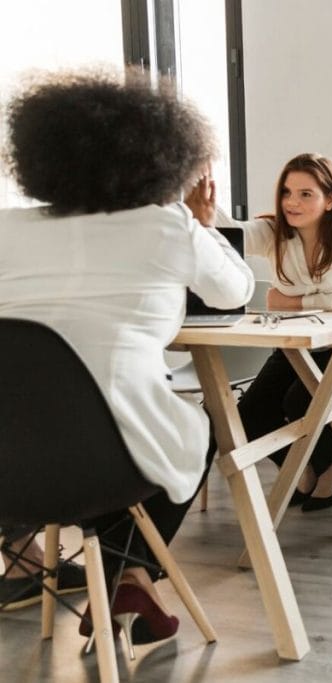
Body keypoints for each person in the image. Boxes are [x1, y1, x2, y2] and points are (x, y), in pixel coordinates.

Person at [0, 69, 253, 645]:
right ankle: (129, 574)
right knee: (192, 428)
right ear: (161, 160)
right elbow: (234, 291)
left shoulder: (6, 231)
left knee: (119, 423)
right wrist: (201, 223)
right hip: (107, 460)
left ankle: (126, 578)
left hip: (9, 464)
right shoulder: (165, 226)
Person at [213, 153, 332, 511]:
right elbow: (228, 236)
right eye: (287, 192)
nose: (292, 202)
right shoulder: (275, 232)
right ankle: (305, 464)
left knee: (299, 400)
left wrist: (292, 301)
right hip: (298, 347)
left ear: (330, 198)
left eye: (306, 194)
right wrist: (204, 204)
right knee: (249, 416)